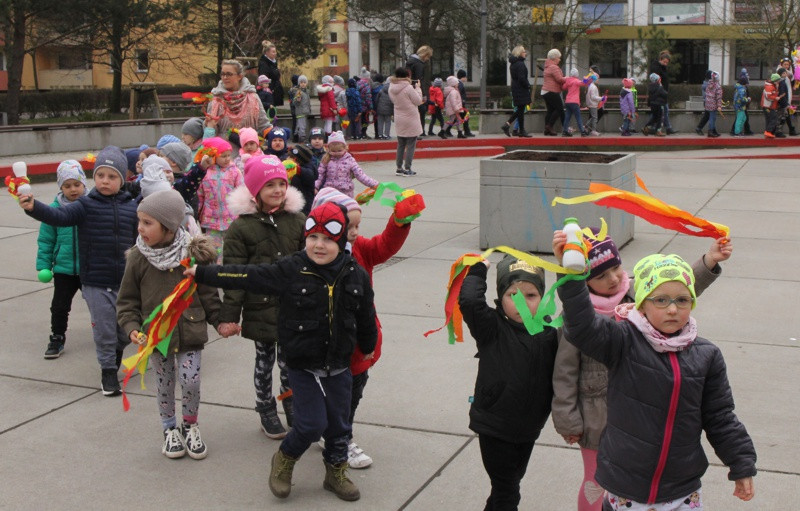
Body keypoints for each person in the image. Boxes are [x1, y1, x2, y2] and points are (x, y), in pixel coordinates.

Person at [185, 201, 378, 502]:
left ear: (341, 241)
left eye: (328, 239)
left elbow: (365, 315)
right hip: (302, 363)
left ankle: (335, 472)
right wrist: (203, 274)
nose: (319, 245)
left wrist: (367, 347)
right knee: (311, 425)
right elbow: (247, 274)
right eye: (313, 237)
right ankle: (284, 460)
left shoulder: (356, 275)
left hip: (339, 364)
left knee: (340, 425)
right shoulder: (291, 269)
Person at [552, 237, 757, 510]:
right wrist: (572, 273)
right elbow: (581, 326)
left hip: (681, 488)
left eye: (682, 300)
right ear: (642, 304)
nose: (672, 308)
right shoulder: (623, 341)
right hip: (626, 487)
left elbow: (720, 416)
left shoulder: (707, 356)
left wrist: (741, 463)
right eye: (661, 300)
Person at [310, 186, 418, 468]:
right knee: (330, 394)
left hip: (358, 343)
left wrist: (400, 221)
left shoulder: (359, 249)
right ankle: (333, 434)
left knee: (352, 393)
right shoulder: (313, 257)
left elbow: (383, 246)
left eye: (358, 225)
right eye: (350, 226)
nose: (356, 232)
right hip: (326, 343)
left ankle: (340, 435)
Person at [19, 146, 137, 396]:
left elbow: (146, 235)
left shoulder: (132, 206)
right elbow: (57, 215)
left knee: (125, 330)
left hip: (125, 281)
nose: (105, 181)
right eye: (100, 175)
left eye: (112, 176)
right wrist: (33, 207)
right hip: (95, 280)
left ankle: (114, 354)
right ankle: (108, 372)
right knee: (104, 328)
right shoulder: (85, 205)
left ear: (122, 179)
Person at [117, 189, 224, 460]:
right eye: (139, 221)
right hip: (156, 337)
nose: (140, 228)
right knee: (164, 384)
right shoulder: (138, 258)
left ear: (169, 226)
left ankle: (190, 425)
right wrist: (132, 326)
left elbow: (209, 294)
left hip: (190, 330)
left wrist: (221, 321)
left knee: (191, 380)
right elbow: (127, 300)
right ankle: (169, 429)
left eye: (147, 223)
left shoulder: (193, 254)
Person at [458, 254, 558, 510]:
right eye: (512, 295)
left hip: (529, 428)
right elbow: (469, 301)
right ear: (500, 298)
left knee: (508, 483)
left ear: (543, 298)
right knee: (508, 492)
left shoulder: (549, 334)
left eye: (531, 295)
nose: (521, 303)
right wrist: (478, 270)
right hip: (494, 426)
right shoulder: (492, 328)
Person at [220, 155, 306, 438]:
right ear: (256, 190)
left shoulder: (298, 220)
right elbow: (234, 275)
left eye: (282, 183)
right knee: (265, 361)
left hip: (293, 305)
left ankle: (290, 401)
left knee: (290, 362)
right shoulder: (241, 228)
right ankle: (265, 407)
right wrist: (230, 316)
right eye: (270, 185)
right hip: (261, 306)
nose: (278, 190)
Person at [36, 161, 87, 359]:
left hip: (88, 268)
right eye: (67, 186)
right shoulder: (53, 210)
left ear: (84, 183)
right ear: (60, 187)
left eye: (77, 184)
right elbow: (46, 240)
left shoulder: (91, 206)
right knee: (59, 306)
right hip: (63, 269)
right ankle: (57, 337)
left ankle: (110, 334)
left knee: (99, 305)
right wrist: (43, 264)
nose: (73, 189)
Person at [195, 137, 244, 261]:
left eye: (229, 155)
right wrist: (199, 213)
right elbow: (200, 195)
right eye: (223, 156)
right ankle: (216, 271)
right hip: (211, 218)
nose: (227, 159)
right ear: (212, 156)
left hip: (231, 217)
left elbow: (241, 192)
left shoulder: (234, 172)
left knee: (232, 246)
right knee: (215, 250)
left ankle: (232, 268)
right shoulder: (205, 172)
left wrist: (242, 212)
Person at [206, 59, 272, 140]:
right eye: (222, 74)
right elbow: (211, 132)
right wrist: (209, 124)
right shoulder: (216, 100)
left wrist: (276, 136)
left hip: (250, 147)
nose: (225, 77)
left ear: (240, 76)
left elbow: (263, 125)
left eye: (229, 74)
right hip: (224, 149)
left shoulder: (252, 97)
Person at [314, 131, 378, 197]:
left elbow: (360, 175)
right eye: (333, 151)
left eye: (339, 150)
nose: (336, 153)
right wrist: (315, 187)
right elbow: (320, 175)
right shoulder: (326, 159)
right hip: (330, 192)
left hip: (346, 193)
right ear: (328, 149)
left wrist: (374, 184)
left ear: (345, 148)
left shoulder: (350, 160)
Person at [389, 67, 425, 176]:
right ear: (407, 76)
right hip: (410, 117)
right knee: (411, 144)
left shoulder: (391, 87)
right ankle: (408, 167)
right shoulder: (408, 88)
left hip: (399, 117)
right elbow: (418, 101)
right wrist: (418, 89)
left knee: (401, 144)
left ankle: (399, 167)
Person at [500, 46, 533, 138]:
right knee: (521, 110)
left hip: (515, 87)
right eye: (523, 52)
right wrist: (528, 85)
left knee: (520, 109)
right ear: (519, 53)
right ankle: (519, 129)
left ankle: (510, 126)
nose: (525, 53)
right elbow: (522, 78)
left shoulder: (513, 64)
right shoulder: (520, 64)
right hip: (521, 89)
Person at [406, 45, 434, 135]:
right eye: (428, 57)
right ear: (425, 55)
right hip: (417, 90)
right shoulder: (419, 64)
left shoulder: (410, 62)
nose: (428, 59)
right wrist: (424, 94)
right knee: (421, 110)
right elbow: (420, 80)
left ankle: (411, 131)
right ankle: (420, 131)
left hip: (408, 88)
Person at [649, 50, 677, 134]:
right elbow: (655, 79)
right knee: (661, 111)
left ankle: (658, 127)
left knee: (664, 110)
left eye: (667, 63)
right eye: (664, 62)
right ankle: (656, 127)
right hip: (658, 93)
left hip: (662, 93)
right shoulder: (656, 67)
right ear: (660, 59)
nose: (665, 64)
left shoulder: (662, 67)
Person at [541, 48, 566, 136]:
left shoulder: (547, 66)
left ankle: (547, 130)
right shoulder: (554, 67)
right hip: (551, 91)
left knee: (550, 110)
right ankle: (550, 126)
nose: (559, 59)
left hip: (545, 91)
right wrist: (567, 78)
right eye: (559, 57)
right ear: (554, 58)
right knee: (560, 109)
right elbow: (559, 79)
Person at [287, 144, 316, 215]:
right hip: (292, 203)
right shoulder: (290, 168)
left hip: (304, 205)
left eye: (291, 157)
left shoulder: (308, 168)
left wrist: (298, 169)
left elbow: (310, 176)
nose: (287, 158)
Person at [562, 68, 588, 137]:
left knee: (567, 117)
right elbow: (583, 83)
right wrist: (586, 78)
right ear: (577, 74)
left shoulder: (568, 80)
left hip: (568, 101)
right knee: (578, 117)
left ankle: (564, 131)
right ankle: (582, 132)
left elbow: (564, 87)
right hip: (575, 102)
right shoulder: (576, 81)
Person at [258, 40, 284, 107]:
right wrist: (269, 89)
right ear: (267, 52)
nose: (275, 53)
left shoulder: (273, 63)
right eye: (273, 52)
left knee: (273, 112)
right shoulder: (264, 64)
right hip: (268, 92)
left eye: (275, 52)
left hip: (274, 91)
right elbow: (263, 79)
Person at [778, 57, 797, 135]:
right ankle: (778, 131)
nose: (786, 66)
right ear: (781, 65)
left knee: (786, 114)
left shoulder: (788, 74)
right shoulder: (782, 74)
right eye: (785, 64)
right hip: (783, 99)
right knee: (783, 115)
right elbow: (783, 90)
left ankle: (791, 129)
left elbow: (790, 87)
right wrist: (786, 100)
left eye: (788, 65)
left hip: (787, 99)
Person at [761, 72, 782, 138]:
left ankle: (768, 132)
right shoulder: (770, 87)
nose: (779, 82)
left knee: (769, 119)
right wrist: (775, 98)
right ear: (775, 80)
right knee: (774, 118)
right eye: (778, 80)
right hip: (768, 106)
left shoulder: (773, 86)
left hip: (770, 106)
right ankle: (768, 131)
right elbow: (768, 96)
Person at [456, 69, 476, 137]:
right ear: (463, 77)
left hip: (460, 104)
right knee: (465, 116)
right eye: (465, 77)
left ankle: (446, 130)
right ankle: (467, 131)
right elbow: (459, 94)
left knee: (456, 118)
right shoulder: (460, 85)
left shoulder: (459, 84)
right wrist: (462, 101)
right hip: (461, 104)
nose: (466, 78)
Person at [704, 71, 723, 138]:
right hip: (714, 104)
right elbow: (719, 97)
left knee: (711, 117)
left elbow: (706, 93)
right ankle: (710, 131)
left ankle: (714, 131)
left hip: (708, 103)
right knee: (712, 118)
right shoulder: (717, 86)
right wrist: (719, 106)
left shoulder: (709, 84)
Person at [292, 75, 311, 142]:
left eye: (304, 82)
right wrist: (297, 100)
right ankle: (302, 139)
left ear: (306, 83)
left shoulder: (306, 92)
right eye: (301, 82)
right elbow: (294, 103)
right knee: (302, 126)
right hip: (300, 112)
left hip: (305, 111)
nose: (303, 84)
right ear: (299, 83)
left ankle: (296, 137)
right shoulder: (299, 92)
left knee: (299, 126)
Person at [694, 70, 713, 136]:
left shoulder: (705, 83)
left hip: (706, 101)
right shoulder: (708, 84)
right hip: (708, 102)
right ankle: (699, 128)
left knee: (707, 116)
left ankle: (699, 128)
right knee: (708, 116)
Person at [585, 65, 602, 136]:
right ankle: (592, 129)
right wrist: (601, 98)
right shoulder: (593, 86)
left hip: (591, 103)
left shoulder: (591, 86)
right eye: (597, 79)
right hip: (593, 104)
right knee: (594, 117)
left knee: (593, 117)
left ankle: (587, 127)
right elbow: (593, 96)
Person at [357, 68, 373, 139]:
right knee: (365, 121)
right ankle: (364, 133)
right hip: (365, 107)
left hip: (357, 106)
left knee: (359, 120)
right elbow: (368, 97)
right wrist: (371, 107)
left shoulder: (357, 84)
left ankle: (359, 133)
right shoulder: (367, 86)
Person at [774, 67, 790, 138]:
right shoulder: (782, 83)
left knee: (783, 117)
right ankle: (778, 131)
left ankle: (778, 130)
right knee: (781, 118)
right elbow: (782, 94)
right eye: (784, 73)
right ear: (780, 74)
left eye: (785, 72)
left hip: (782, 103)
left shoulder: (782, 82)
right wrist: (785, 104)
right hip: (782, 103)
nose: (785, 74)